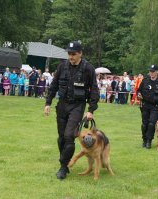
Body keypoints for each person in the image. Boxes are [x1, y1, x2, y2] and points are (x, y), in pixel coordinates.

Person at [44, 41, 99, 180]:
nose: (71, 56)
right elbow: (54, 85)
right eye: (69, 53)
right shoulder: (62, 66)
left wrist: (91, 109)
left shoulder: (88, 69)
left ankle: (63, 166)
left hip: (77, 106)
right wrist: (48, 103)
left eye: (73, 54)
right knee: (61, 137)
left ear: (80, 53)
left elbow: (94, 90)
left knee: (69, 136)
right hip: (62, 105)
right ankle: (65, 163)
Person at [137, 65, 158, 149]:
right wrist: (139, 94)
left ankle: (149, 141)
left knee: (151, 123)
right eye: (150, 71)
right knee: (144, 124)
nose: (151, 73)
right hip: (145, 105)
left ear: (157, 72)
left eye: (153, 71)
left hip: (155, 106)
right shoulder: (145, 80)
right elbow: (139, 90)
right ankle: (144, 140)